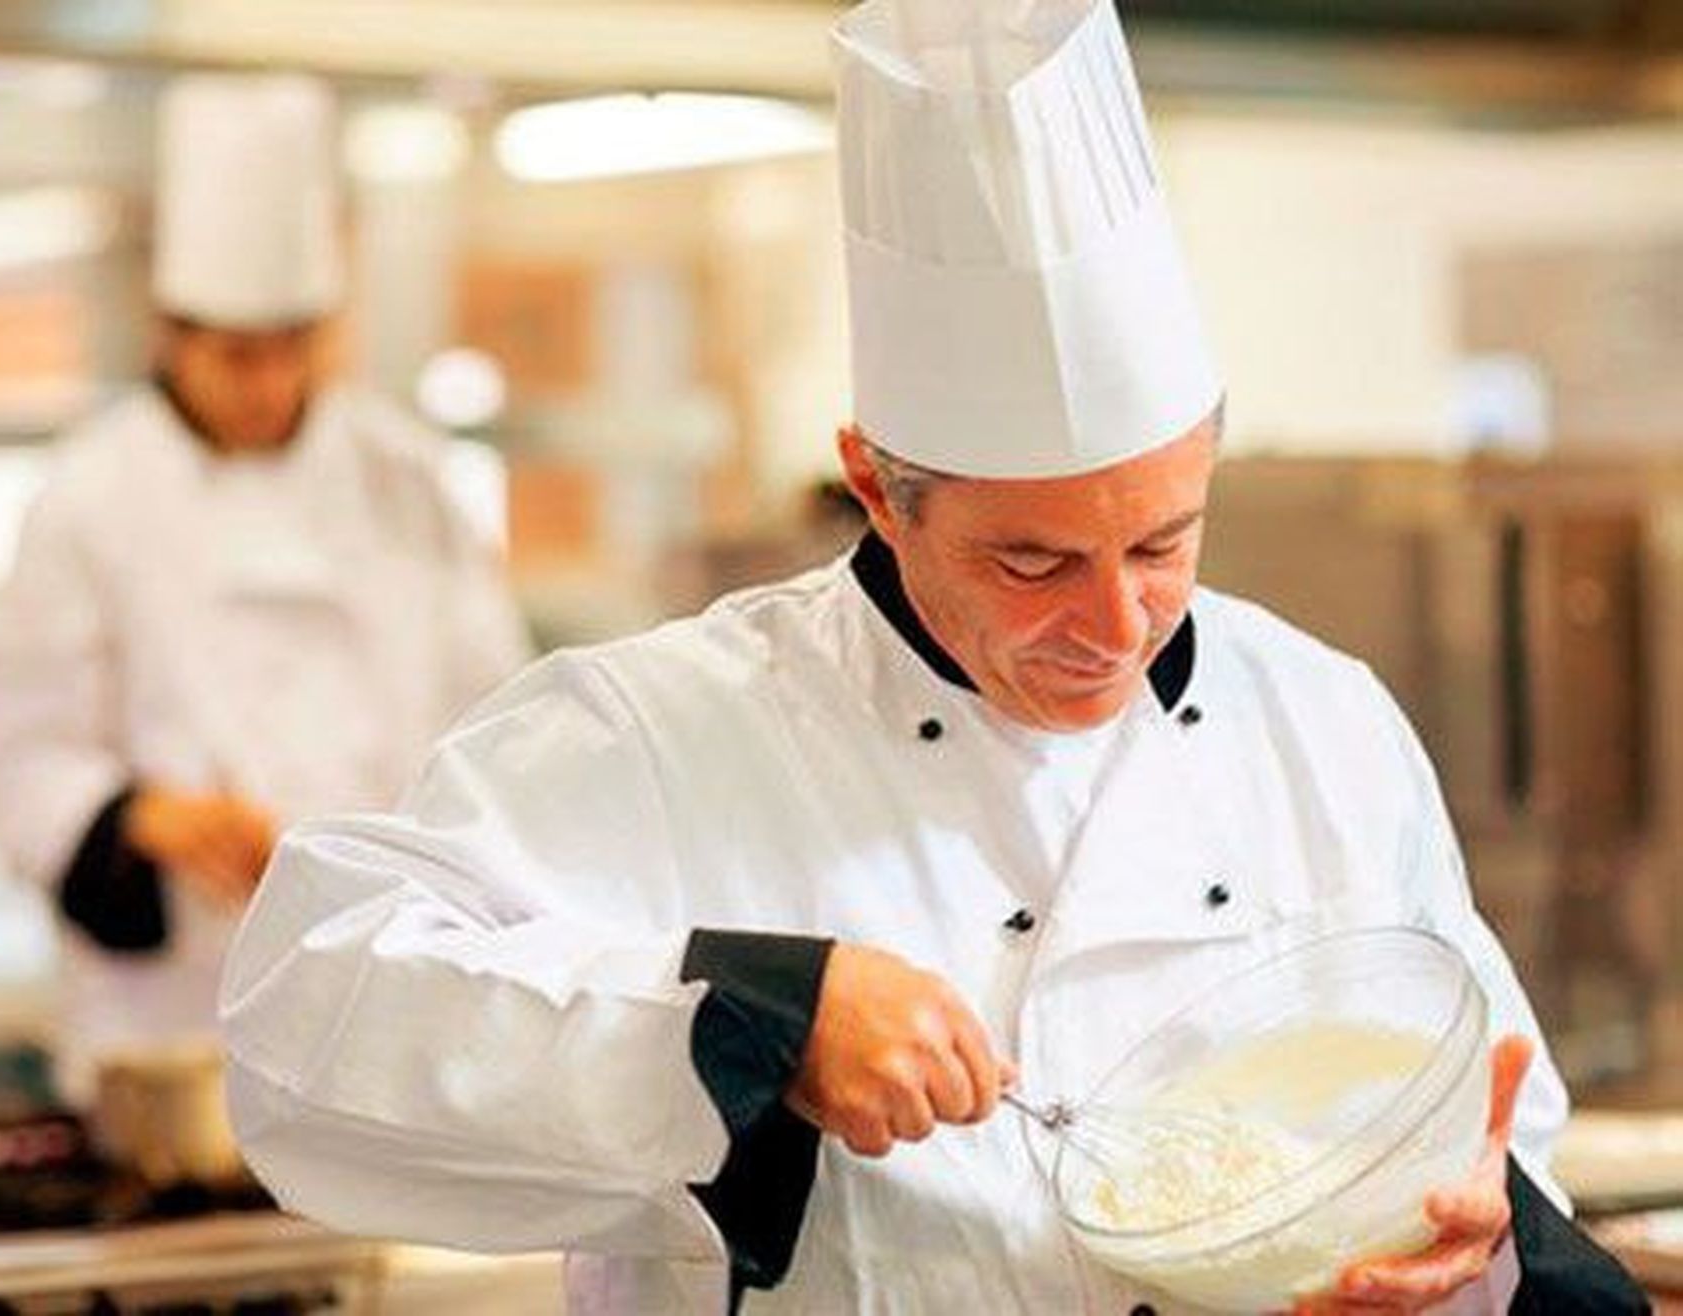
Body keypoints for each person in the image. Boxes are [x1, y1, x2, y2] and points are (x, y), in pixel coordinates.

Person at [219, 4, 1646, 1313]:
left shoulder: (1320, 723)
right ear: (878, 488)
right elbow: (305, 1019)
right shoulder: (661, 733)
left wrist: (1466, 1239)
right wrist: (750, 1017)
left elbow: (1489, 1124)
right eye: (1033, 563)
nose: (1115, 623)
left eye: (1162, 542)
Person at [0, 74, 527, 1086]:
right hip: (173, 1024)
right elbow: (18, 759)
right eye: (236, 356)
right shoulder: (90, 498)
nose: (269, 386)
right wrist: (142, 816)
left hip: (389, 992)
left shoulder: (404, 481)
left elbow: (498, 727)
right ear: (170, 332)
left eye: (291, 350)